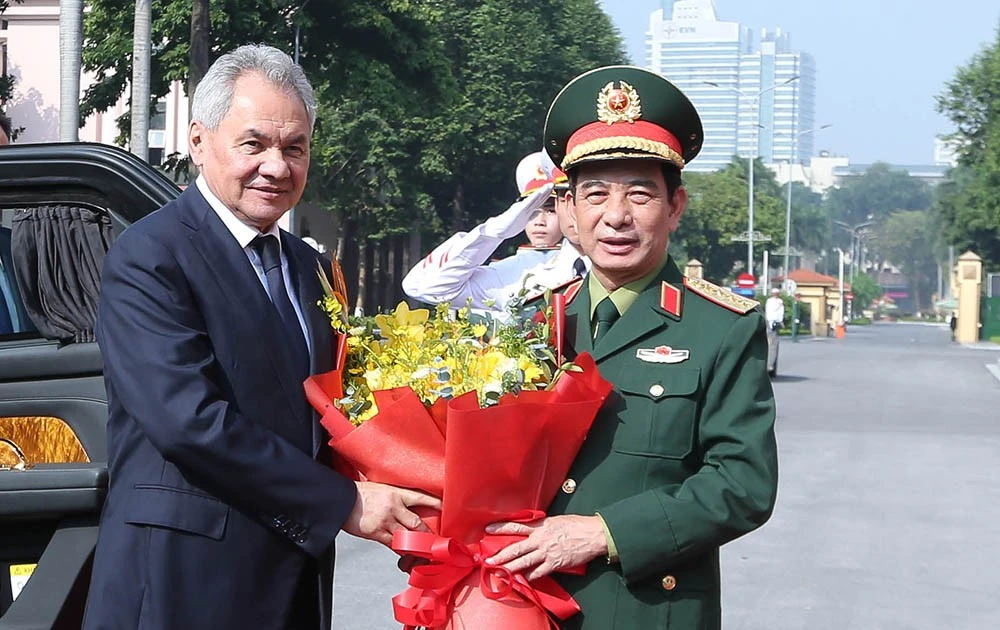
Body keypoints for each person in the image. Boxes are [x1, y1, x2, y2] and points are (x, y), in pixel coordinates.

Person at [82, 45, 438, 630]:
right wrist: (344, 502)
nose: (277, 166)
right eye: (255, 144)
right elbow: (189, 421)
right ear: (199, 141)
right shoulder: (151, 255)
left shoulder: (311, 266)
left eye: (295, 148)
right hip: (185, 581)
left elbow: (331, 409)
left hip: (292, 578)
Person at [486, 66, 779, 629]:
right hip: (524, 603)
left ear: (675, 207)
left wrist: (603, 533)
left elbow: (743, 484)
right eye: (596, 194)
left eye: (640, 194)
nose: (616, 215)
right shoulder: (532, 318)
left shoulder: (722, 327)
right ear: (569, 210)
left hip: (649, 608)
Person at [401, 151, 558, 314]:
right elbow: (423, 287)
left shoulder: (582, 261)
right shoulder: (505, 272)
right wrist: (493, 232)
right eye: (530, 211)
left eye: (551, 210)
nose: (540, 221)